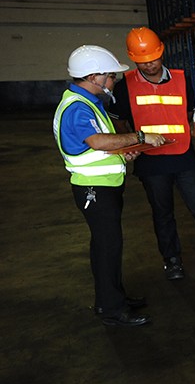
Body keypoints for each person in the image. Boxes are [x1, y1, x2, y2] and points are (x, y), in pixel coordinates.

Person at [109, 27, 195, 280]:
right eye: (143, 62)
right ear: (134, 60)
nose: (149, 65)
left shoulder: (182, 79)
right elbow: (119, 122)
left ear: (162, 53)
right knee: (162, 213)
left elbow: (190, 113)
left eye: (153, 59)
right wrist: (133, 144)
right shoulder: (124, 87)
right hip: (150, 161)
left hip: (183, 156)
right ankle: (172, 260)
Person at [54, 45, 167, 327]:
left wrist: (122, 152)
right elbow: (98, 142)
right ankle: (112, 309)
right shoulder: (78, 107)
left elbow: (98, 145)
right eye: (111, 75)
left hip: (102, 186)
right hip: (94, 189)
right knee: (108, 248)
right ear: (94, 77)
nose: (114, 80)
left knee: (106, 246)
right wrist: (140, 137)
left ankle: (112, 298)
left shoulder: (87, 102)